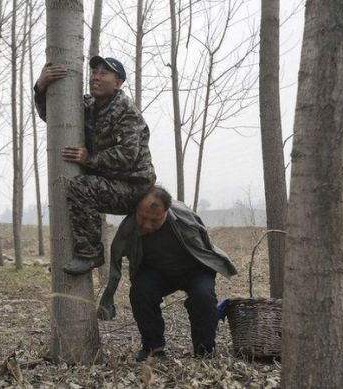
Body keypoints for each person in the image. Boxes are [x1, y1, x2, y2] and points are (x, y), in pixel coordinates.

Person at [34, 56, 156, 275]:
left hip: (135, 187)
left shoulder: (127, 111)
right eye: (94, 72)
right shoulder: (88, 105)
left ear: (118, 82)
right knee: (82, 186)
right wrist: (40, 87)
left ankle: (90, 254)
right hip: (109, 180)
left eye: (104, 73)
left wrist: (89, 159)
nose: (96, 77)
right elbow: (51, 116)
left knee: (82, 187)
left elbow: (128, 155)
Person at [97, 185, 237, 361]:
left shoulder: (185, 218)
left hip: (195, 269)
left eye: (155, 220)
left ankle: (204, 351)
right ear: (137, 210)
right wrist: (107, 299)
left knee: (203, 297)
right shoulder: (129, 226)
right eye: (143, 218)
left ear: (166, 212)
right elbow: (116, 261)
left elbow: (205, 246)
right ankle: (153, 349)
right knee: (140, 292)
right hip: (157, 272)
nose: (147, 225)